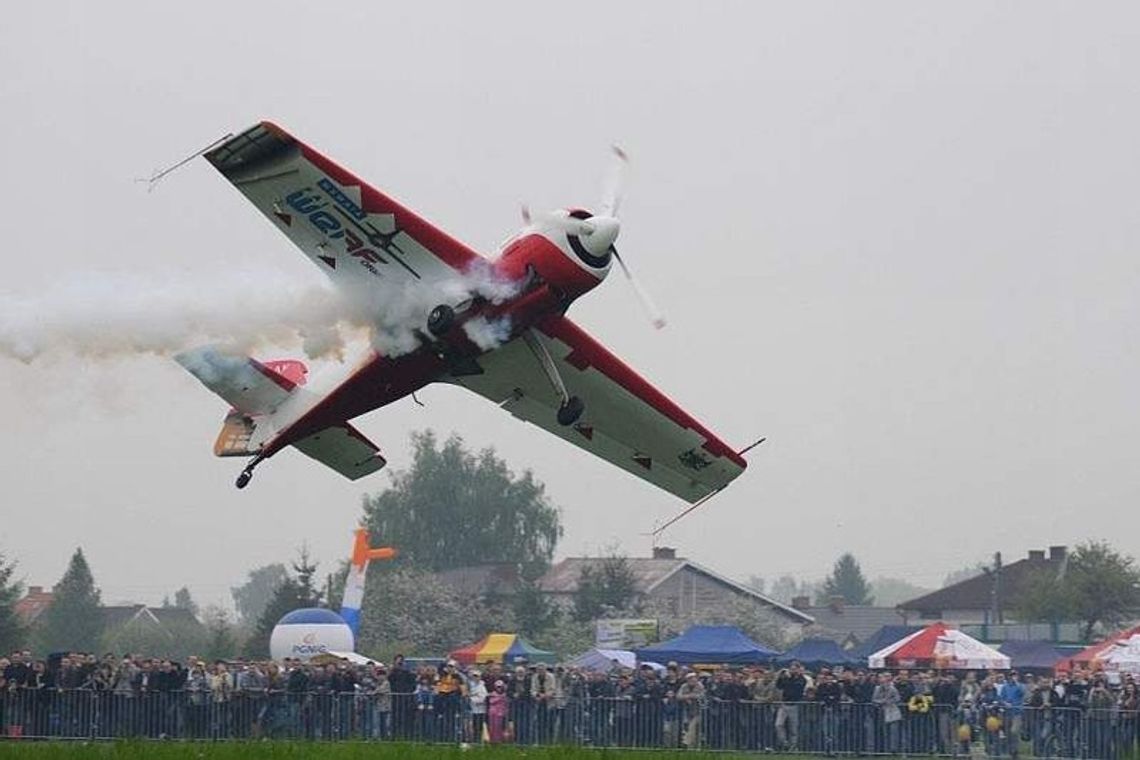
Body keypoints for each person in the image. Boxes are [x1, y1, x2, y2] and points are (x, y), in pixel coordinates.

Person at [677, 671, 706, 750]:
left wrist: (690, 696)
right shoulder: (684, 686)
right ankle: (692, 747)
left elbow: (702, 695)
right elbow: (678, 696)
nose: (692, 680)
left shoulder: (700, 686)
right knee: (691, 729)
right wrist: (689, 696)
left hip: (699, 711)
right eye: (690, 679)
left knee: (692, 727)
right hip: (687, 711)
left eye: (694, 678)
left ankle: (687, 742)